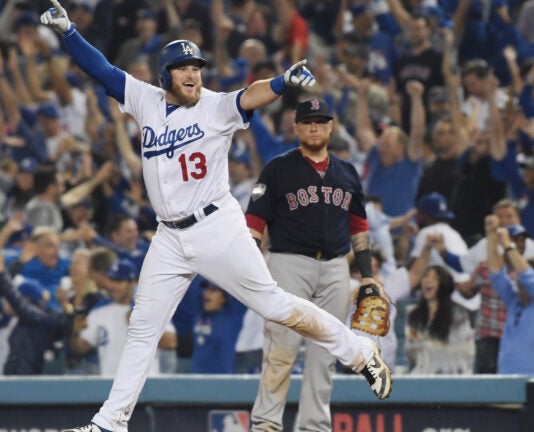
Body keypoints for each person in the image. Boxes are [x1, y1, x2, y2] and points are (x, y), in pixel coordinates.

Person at [40, 2, 392, 431]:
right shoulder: (145, 100)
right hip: (169, 238)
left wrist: (282, 82)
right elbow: (103, 70)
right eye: (183, 67)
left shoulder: (214, 106)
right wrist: (70, 33)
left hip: (215, 226)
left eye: (197, 67)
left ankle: (359, 352)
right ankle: (110, 423)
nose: (192, 74)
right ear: (165, 75)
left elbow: (250, 94)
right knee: (143, 328)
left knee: (274, 305)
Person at [246, 97, 377, 432]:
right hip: (289, 263)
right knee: (282, 347)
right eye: (308, 122)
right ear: (296, 127)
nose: (314, 127)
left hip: (335, 267)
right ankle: (266, 423)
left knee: (326, 353)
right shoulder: (277, 168)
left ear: (331, 126)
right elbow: (254, 223)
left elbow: (359, 227)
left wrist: (368, 277)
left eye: (320, 121)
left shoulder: (347, 172)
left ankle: (315, 426)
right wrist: (250, 268)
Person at [487, 226, 534, 375]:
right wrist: (491, 236)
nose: (518, 281)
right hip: (507, 379)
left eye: (521, 279)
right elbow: (497, 275)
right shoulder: (515, 302)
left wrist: (508, 245)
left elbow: (529, 279)